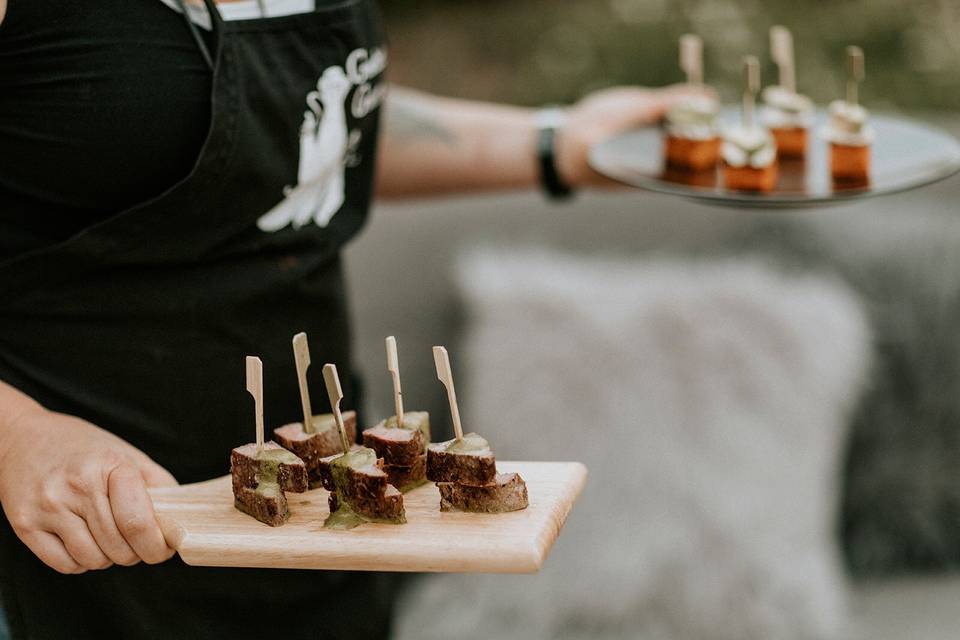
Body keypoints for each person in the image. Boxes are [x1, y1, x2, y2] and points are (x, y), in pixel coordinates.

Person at [0, 0, 702, 637]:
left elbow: (311, 119)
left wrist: (555, 143)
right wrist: (18, 437)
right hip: (59, 552)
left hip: (323, 538)